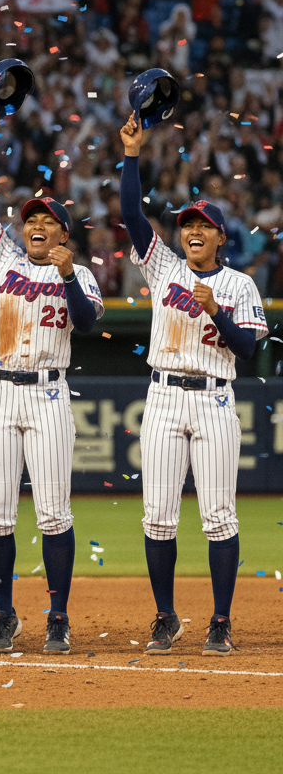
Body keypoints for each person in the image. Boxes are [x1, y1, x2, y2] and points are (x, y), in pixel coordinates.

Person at [118, 114, 267, 656]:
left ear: (221, 236)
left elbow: (248, 349)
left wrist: (217, 313)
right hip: (162, 397)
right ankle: (166, 617)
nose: (193, 231)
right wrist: (131, 154)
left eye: (203, 225)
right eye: (187, 225)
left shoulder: (239, 284)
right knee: (158, 516)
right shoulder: (164, 270)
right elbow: (131, 214)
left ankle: (220, 621)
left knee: (219, 516)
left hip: (214, 399)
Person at [0, 103, 103, 655]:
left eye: (48, 221)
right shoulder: (0, 261)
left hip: (49, 392)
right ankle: (4, 616)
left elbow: (88, 323)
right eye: (31, 220)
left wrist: (68, 275)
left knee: (53, 513)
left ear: (64, 234)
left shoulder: (81, 274)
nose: (38, 226)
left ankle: (58, 617)